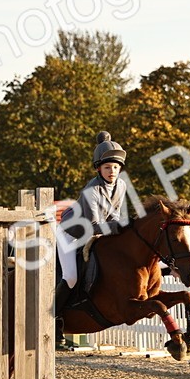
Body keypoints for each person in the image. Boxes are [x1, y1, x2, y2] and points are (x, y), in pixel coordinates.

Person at [54, 132, 129, 345]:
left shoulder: (121, 186)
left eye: (115, 167)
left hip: (95, 233)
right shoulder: (91, 190)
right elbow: (95, 225)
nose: (112, 171)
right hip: (71, 234)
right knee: (70, 277)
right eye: (107, 168)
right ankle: (54, 318)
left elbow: (115, 215)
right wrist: (121, 225)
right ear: (98, 169)